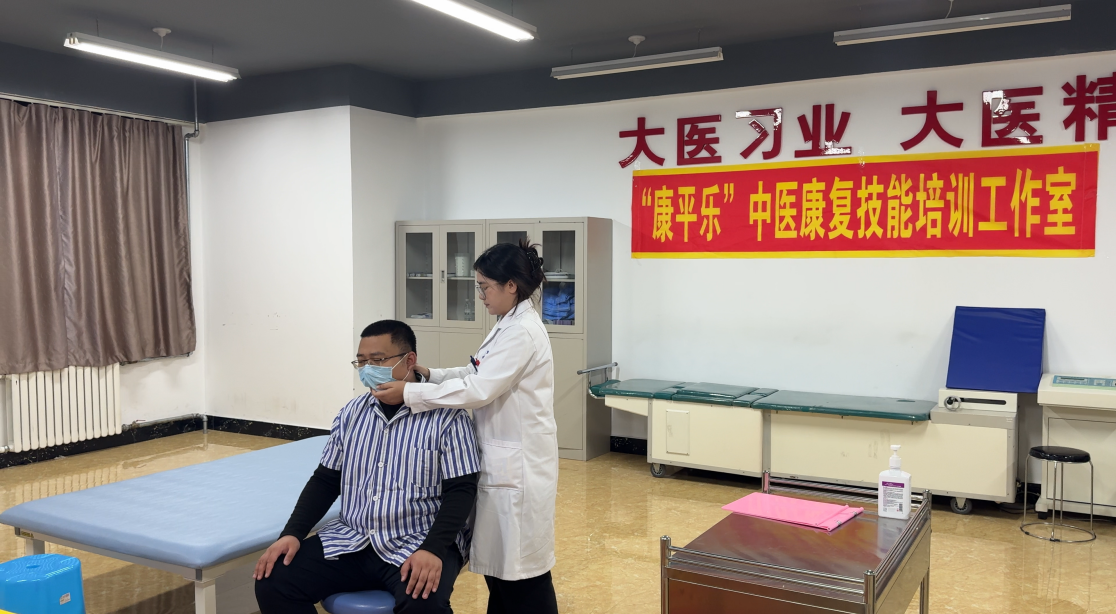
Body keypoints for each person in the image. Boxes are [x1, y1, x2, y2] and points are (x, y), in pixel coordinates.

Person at [372, 239, 559, 614]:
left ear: (511, 285)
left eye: (485, 287)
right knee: (503, 576)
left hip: (519, 469)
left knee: (523, 576)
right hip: (502, 461)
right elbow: (476, 371)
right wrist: (430, 374)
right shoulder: (507, 324)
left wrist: (411, 393)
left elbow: (479, 389)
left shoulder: (522, 332)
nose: (481, 296)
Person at [253, 320, 480, 614]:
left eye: (378, 360)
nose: (367, 369)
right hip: (353, 538)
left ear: (409, 360)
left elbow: (461, 490)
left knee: (423, 602)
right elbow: (325, 481)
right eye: (361, 362)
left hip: (418, 540)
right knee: (273, 580)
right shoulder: (352, 413)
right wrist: (292, 533)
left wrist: (433, 548)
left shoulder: (448, 416)